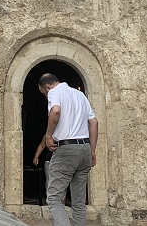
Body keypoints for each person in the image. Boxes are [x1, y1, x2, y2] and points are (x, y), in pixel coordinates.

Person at [38, 73, 98, 226]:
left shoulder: (54, 92)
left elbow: (56, 111)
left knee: (54, 198)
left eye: (44, 94)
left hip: (66, 149)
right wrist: (92, 150)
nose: (46, 96)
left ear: (47, 87)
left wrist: (48, 135)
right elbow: (94, 122)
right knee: (78, 202)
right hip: (85, 148)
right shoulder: (80, 94)